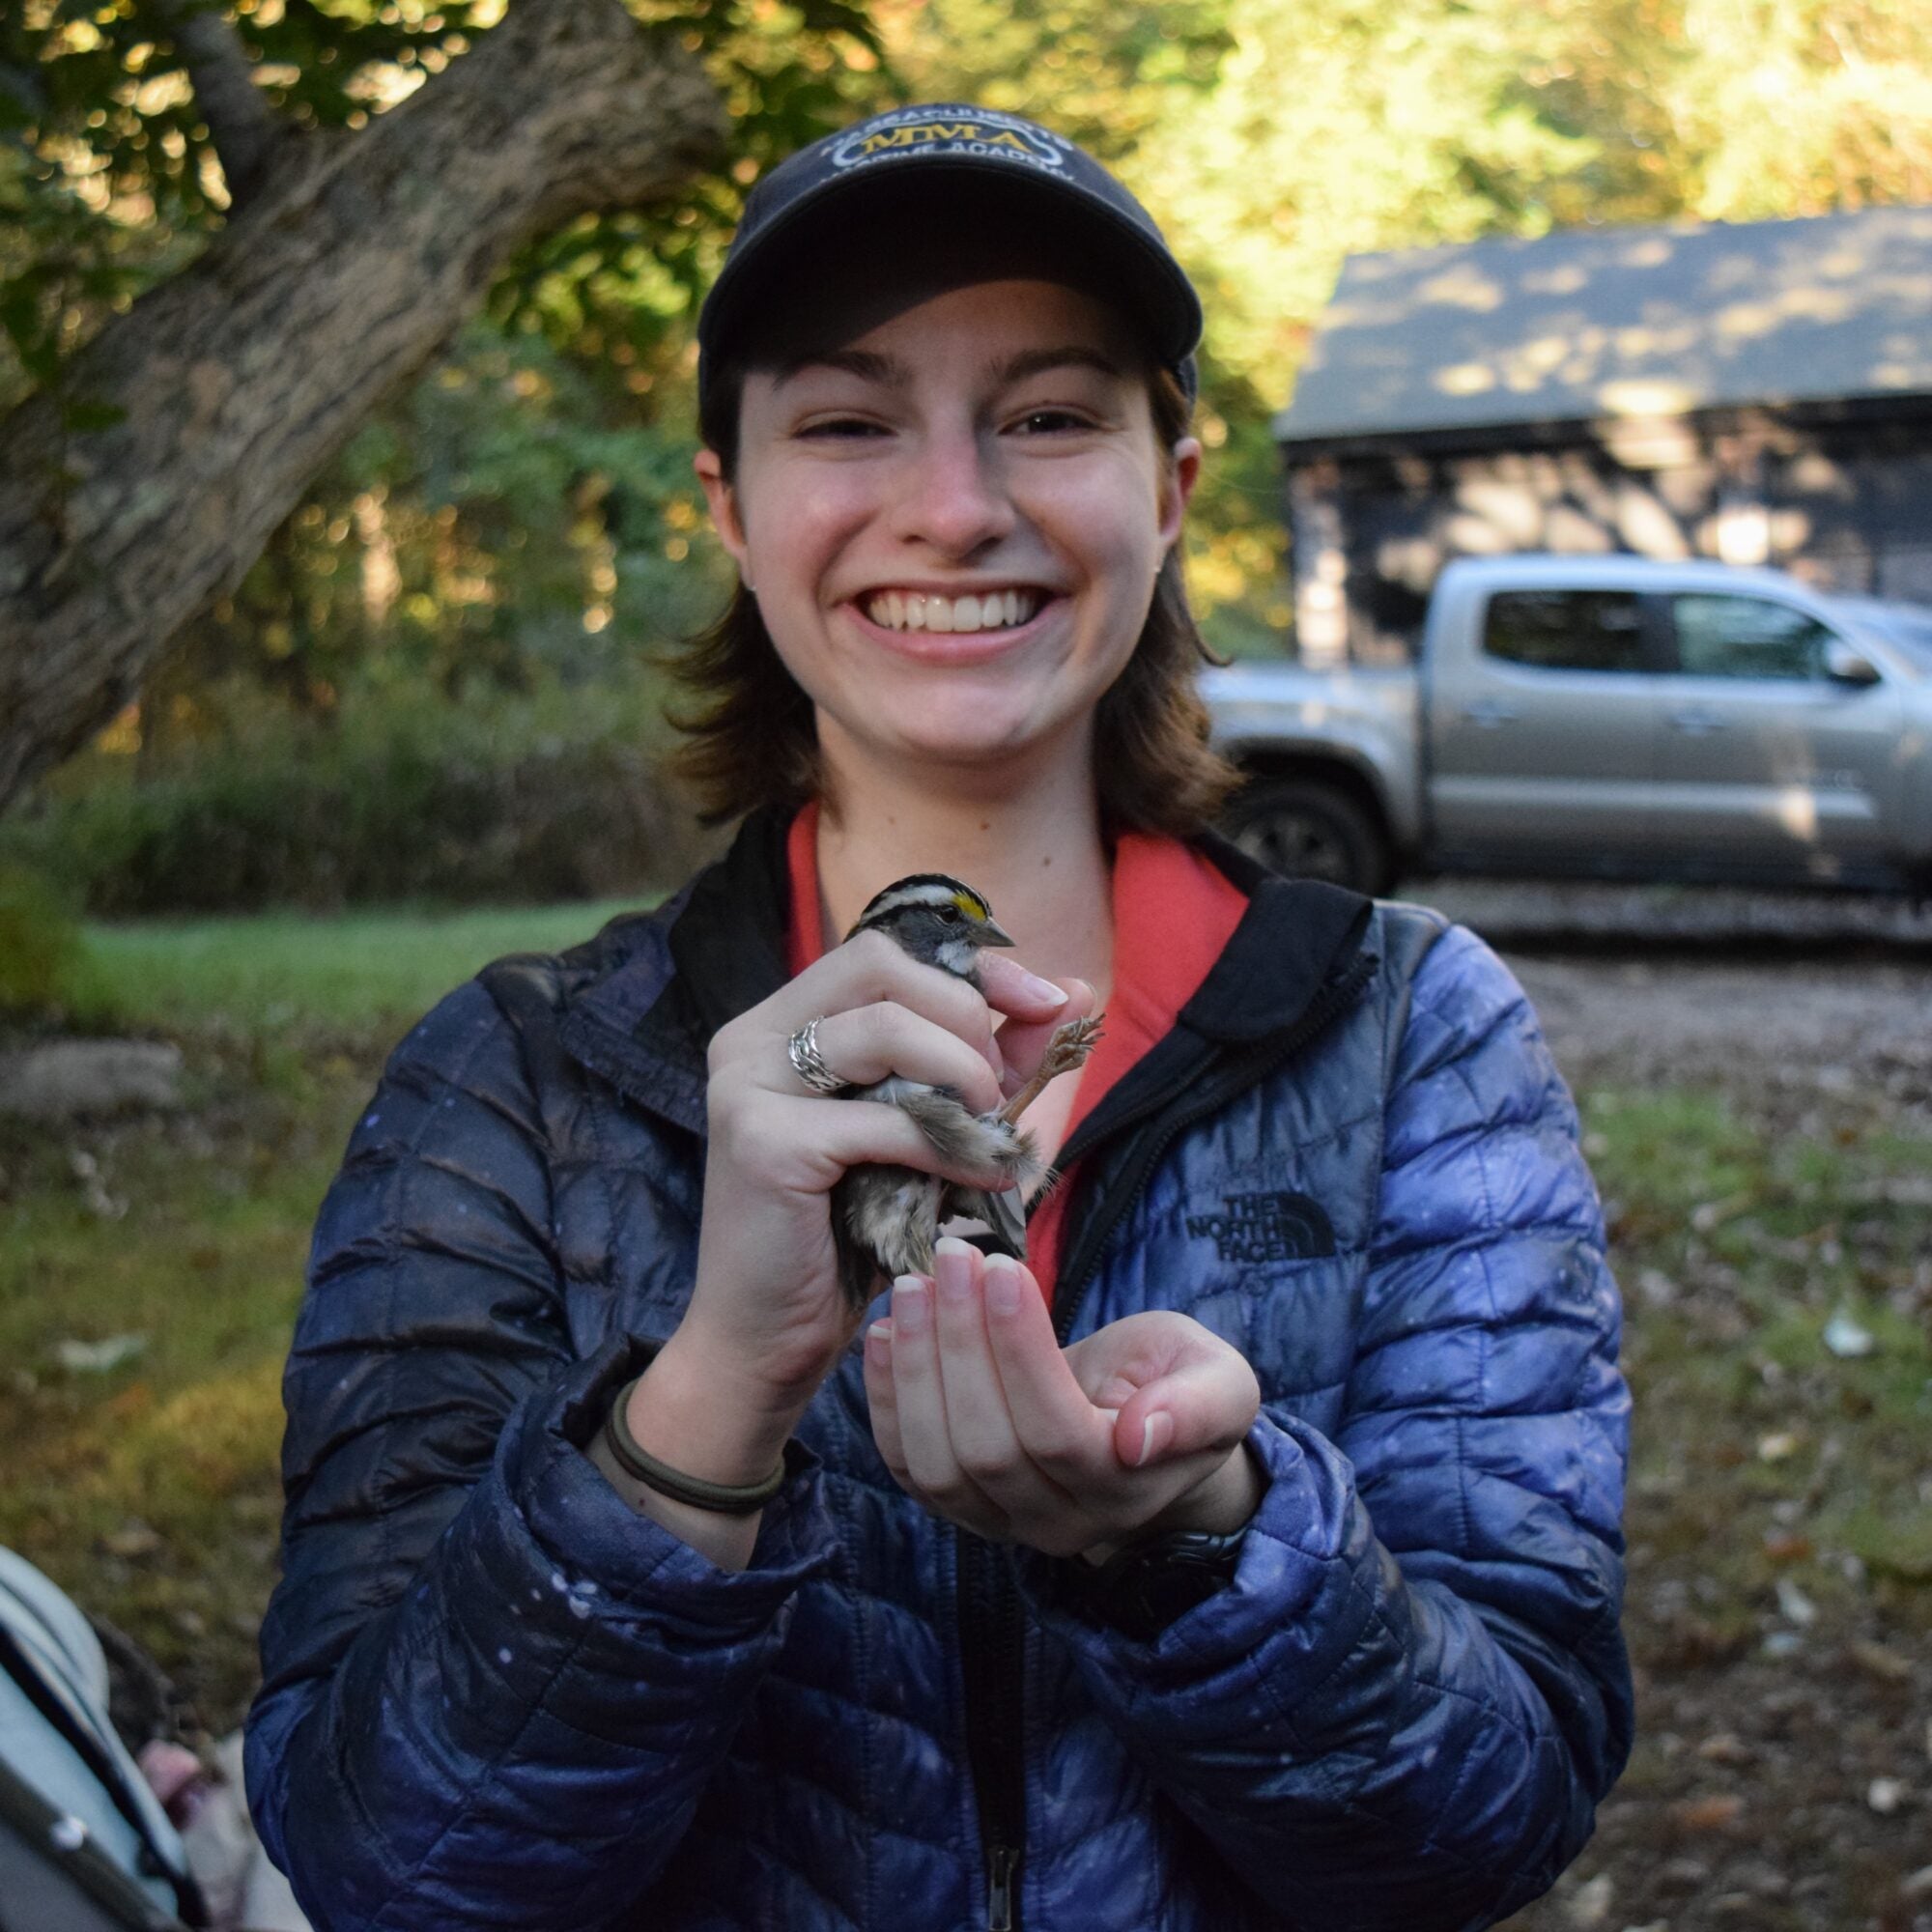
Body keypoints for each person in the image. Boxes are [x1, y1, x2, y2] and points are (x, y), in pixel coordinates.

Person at [244, 103, 1633, 1931]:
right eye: (846, 421)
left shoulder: (1411, 1036)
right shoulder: (513, 1084)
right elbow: (390, 1867)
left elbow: (1496, 1814)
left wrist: (1202, 1544)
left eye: (1052, 415)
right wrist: (713, 1402)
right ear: (732, 513)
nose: (960, 503)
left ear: (1172, 488)